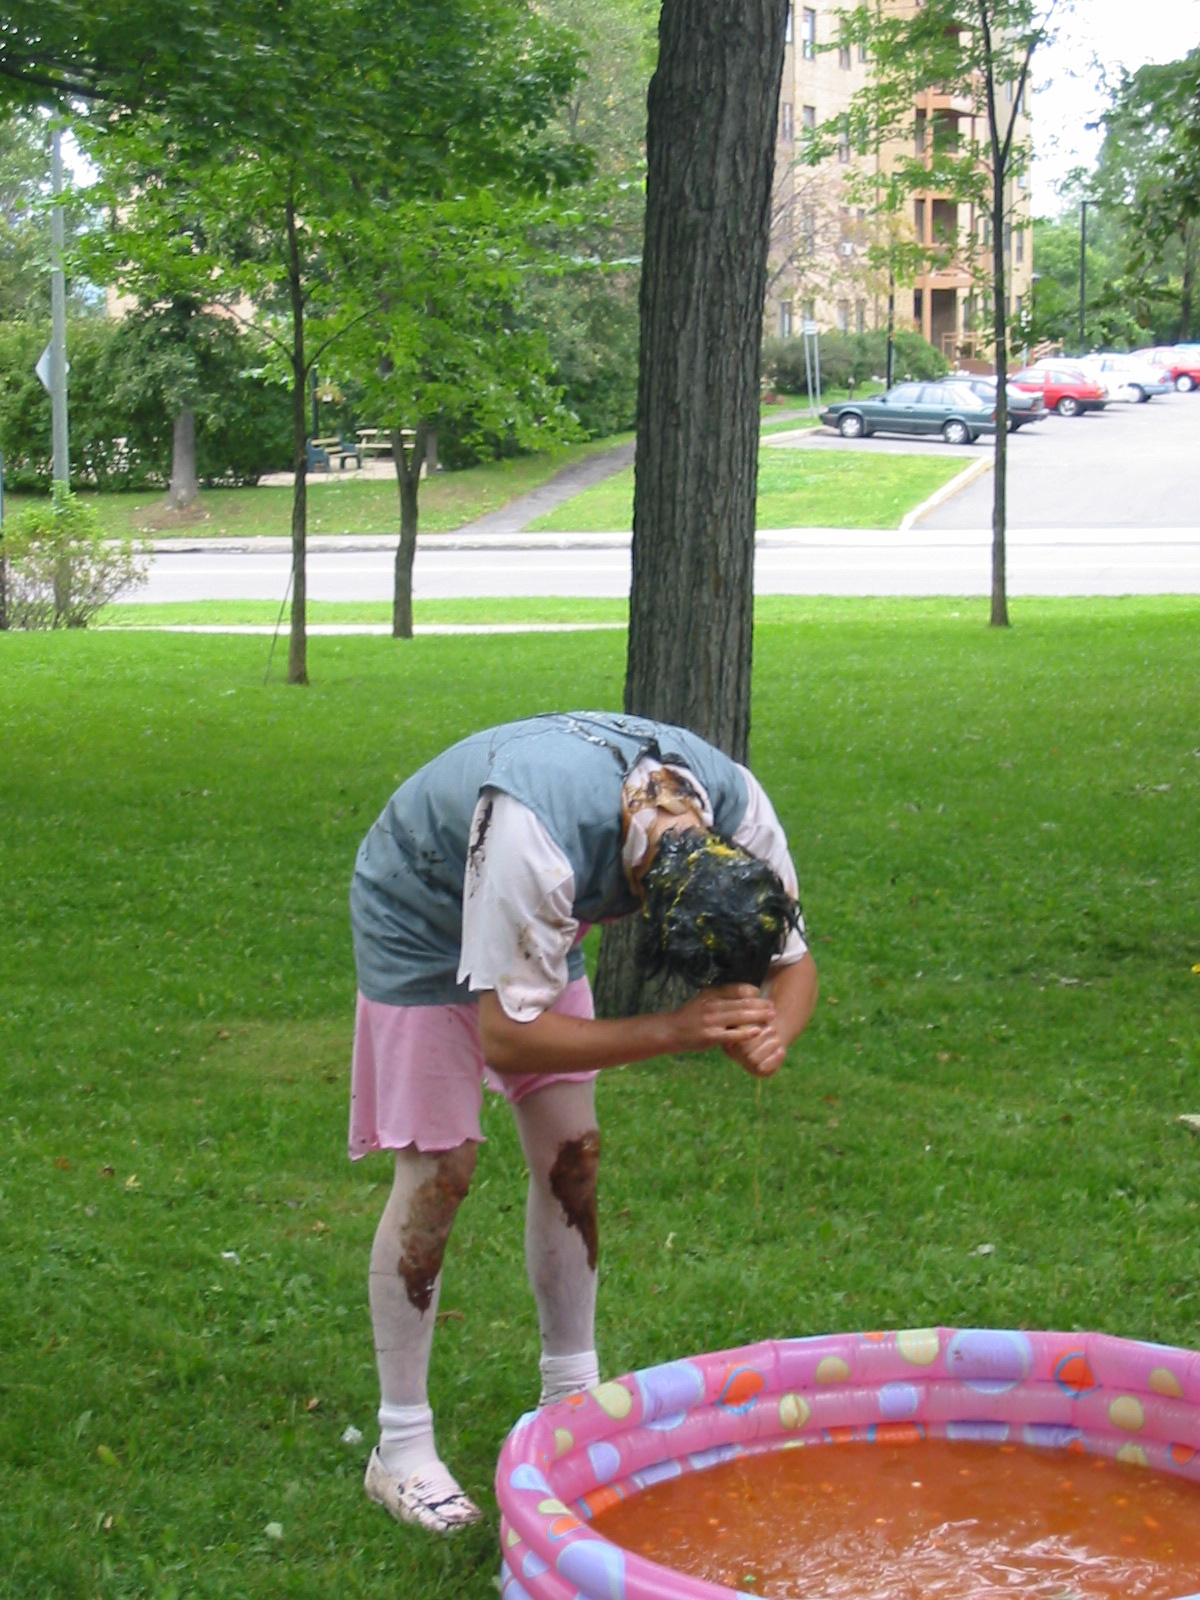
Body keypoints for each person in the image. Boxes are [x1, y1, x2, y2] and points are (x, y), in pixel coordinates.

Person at [348, 712, 818, 1532]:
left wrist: (776, 1028)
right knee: (440, 1173)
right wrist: (672, 1031)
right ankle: (401, 1448)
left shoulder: (741, 819)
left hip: (529, 905)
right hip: (421, 903)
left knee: (573, 1154)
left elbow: (796, 966)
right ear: (641, 897)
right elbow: (508, 1034)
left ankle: (570, 1399)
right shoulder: (537, 839)